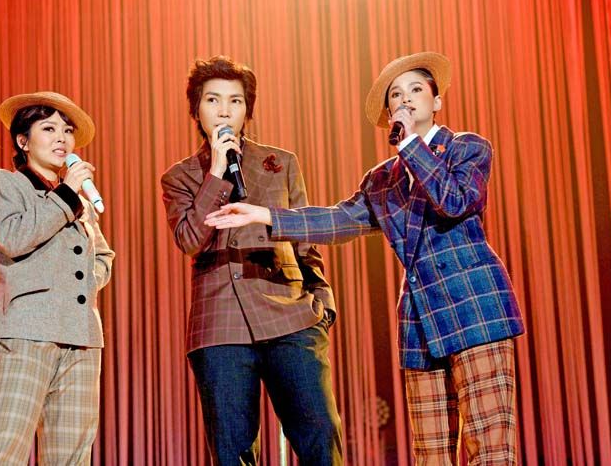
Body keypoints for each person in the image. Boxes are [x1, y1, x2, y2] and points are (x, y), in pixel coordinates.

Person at [206, 52, 525, 464]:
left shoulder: (466, 148)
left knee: (490, 446)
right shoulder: (382, 179)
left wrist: (410, 145)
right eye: (396, 95)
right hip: (419, 319)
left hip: (475, 307)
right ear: (388, 112)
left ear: (436, 101)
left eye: (415, 90)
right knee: (430, 453)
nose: (405, 100)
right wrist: (264, 215)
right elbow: (338, 220)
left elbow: (453, 200)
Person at [160, 56, 343, 465]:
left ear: (247, 110)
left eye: (236, 101)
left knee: (320, 437)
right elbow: (190, 240)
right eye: (213, 100)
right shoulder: (180, 176)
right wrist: (216, 174)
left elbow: (304, 240)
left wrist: (322, 305)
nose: (224, 110)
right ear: (196, 109)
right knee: (232, 452)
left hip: (292, 313)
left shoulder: (281, 162)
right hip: (220, 325)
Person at [0, 91, 115, 465]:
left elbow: (102, 255)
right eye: (49, 128)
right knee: (5, 448)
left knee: (72, 457)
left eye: (67, 131)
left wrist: (88, 281)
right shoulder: (3, 183)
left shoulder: (80, 204)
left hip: (82, 338)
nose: (62, 138)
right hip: (24, 332)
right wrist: (67, 194)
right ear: (23, 141)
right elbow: (13, 237)